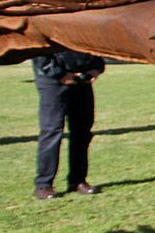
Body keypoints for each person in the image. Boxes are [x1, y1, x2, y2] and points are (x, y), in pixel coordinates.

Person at [32, 49, 104, 200]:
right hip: (53, 82)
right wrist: (59, 73)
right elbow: (39, 52)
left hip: (82, 80)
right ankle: (43, 184)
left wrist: (96, 68)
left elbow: (93, 45)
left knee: (82, 132)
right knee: (52, 131)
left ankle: (78, 181)